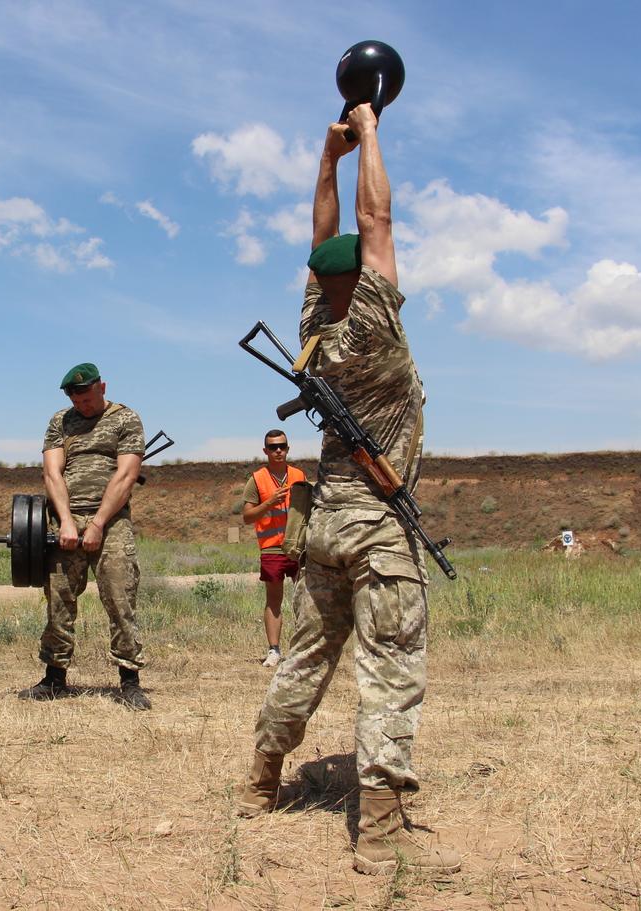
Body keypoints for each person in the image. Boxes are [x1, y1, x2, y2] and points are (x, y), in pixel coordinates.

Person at [234, 104, 460, 875]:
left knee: (303, 659)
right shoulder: (375, 328)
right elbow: (376, 219)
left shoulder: (314, 333)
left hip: (326, 525)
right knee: (390, 672)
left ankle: (261, 782)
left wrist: (325, 160)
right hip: (376, 531)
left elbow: (321, 240)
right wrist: (369, 132)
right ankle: (383, 831)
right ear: (363, 279)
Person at [19, 362, 150, 710]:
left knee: (120, 598)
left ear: (102, 387)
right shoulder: (60, 421)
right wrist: (65, 521)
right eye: (75, 399)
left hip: (112, 520)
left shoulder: (126, 419)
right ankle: (54, 677)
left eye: (86, 397)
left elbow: (126, 476)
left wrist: (97, 524)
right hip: (66, 517)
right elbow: (52, 473)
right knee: (59, 598)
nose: (81, 405)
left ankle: (129, 680)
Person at [241, 430, 307, 667]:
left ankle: (303, 649)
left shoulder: (299, 475)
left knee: (305, 599)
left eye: (282, 446)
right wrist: (269, 502)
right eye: (272, 447)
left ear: (288, 448)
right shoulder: (257, 479)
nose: (278, 450)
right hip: (272, 549)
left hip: (298, 547)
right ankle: (274, 650)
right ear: (265, 451)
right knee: (274, 600)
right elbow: (247, 517)